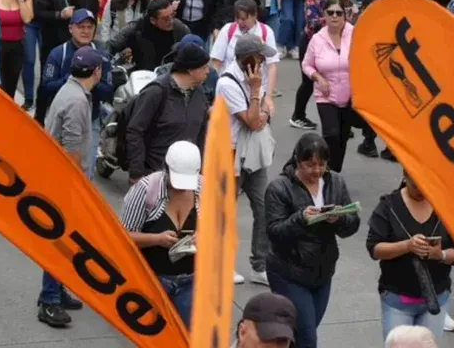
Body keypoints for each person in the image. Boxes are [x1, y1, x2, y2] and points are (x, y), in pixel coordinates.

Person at [264, 133, 359, 348]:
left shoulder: (336, 182)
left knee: (301, 333)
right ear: (298, 161)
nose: (316, 171)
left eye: (322, 165)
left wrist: (339, 219)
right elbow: (274, 232)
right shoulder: (279, 188)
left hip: (323, 272)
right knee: (308, 338)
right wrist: (301, 218)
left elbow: (351, 226)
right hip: (289, 272)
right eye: (310, 165)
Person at [37, 47, 105, 327]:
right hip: (65, 182)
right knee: (60, 242)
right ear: (97, 72)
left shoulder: (69, 90)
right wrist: (80, 190)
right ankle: (49, 300)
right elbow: (73, 153)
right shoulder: (77, 101)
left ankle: (57, 290)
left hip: (57, 177)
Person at [367, 171, 454, 342]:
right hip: (398, 300)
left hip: (436, 299)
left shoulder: (446, 204)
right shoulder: (389, 206)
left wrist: (440, 254)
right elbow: (374, 248)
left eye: (425, 186)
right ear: (405, 177)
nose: (421, 191)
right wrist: (407, 246)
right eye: (415, 185)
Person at [216, 33, 278, 286]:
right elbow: (252, 121)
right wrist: (256, 97)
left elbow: (264, 110)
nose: (263, 61)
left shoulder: (256, 75)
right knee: (226, 212)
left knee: (265, 207)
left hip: (252, 153)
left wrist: (261, 108)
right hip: (230, 153)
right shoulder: (227, 83)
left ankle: (259, 265)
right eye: (259, 57)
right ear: (246, 59)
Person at [120, 141, 202, 327]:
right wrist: (156, 239)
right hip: (151, 281)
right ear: (166, 169)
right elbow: (122, 236)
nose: (181, 188)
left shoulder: (203, 188)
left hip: (191, 281)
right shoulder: (146, 190)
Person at [124, 42, 212, 181]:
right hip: (155, 176)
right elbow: (135, 131)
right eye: (204, 67)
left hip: (187, 178)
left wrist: (201, 173)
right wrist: (136, 173)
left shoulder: (199, 93)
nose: (208, 71)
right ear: (190, 70)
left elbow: (201, 135)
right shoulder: (156, 92)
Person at [301, 0, 355, 172]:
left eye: (338, 13)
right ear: (323, 15)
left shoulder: (355, 34)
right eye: (330, 12)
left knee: (343, 137)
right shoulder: (317, 39)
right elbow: (306, 64)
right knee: (331, 134)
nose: (334, 16)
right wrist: (318, 77)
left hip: (350, 96)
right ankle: (326, 172)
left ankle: (334, 172)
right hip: (325, 95)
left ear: (345, 15)